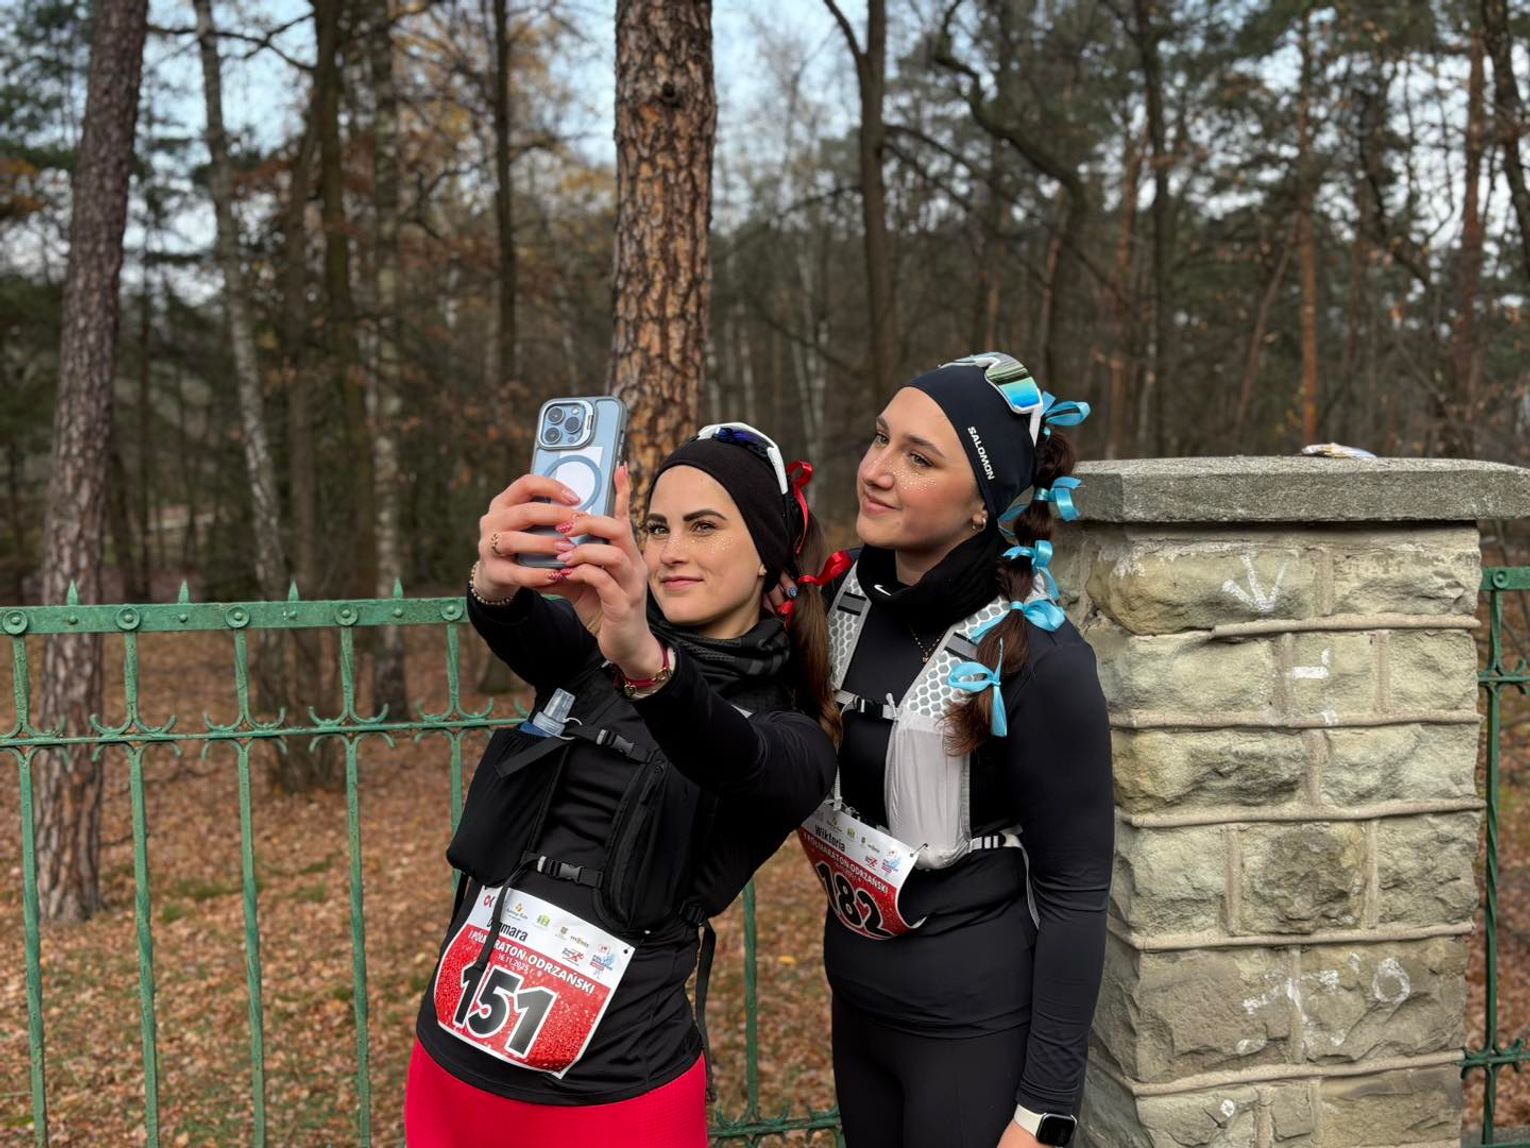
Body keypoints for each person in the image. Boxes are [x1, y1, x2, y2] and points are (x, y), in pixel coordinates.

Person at [405, 422, 839, 1148]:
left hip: (614, 1103)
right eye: (658, 527)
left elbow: (732, 752)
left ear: (768, 553)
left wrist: (648, 663)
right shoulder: (592, 656)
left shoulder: (791, 734)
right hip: (450, 1069)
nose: (670, 551)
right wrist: (494, 576)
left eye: (704, 527)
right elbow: (514, 621)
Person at [795, 353, 1113, 1148]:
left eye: (919, 458)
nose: (877, 470)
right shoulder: (838, 600)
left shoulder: (1038, 656)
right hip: (858, 1009)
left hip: (970, 1032)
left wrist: (1042, 1113)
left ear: (982, 507)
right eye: (881, 439)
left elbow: (1076, 891)